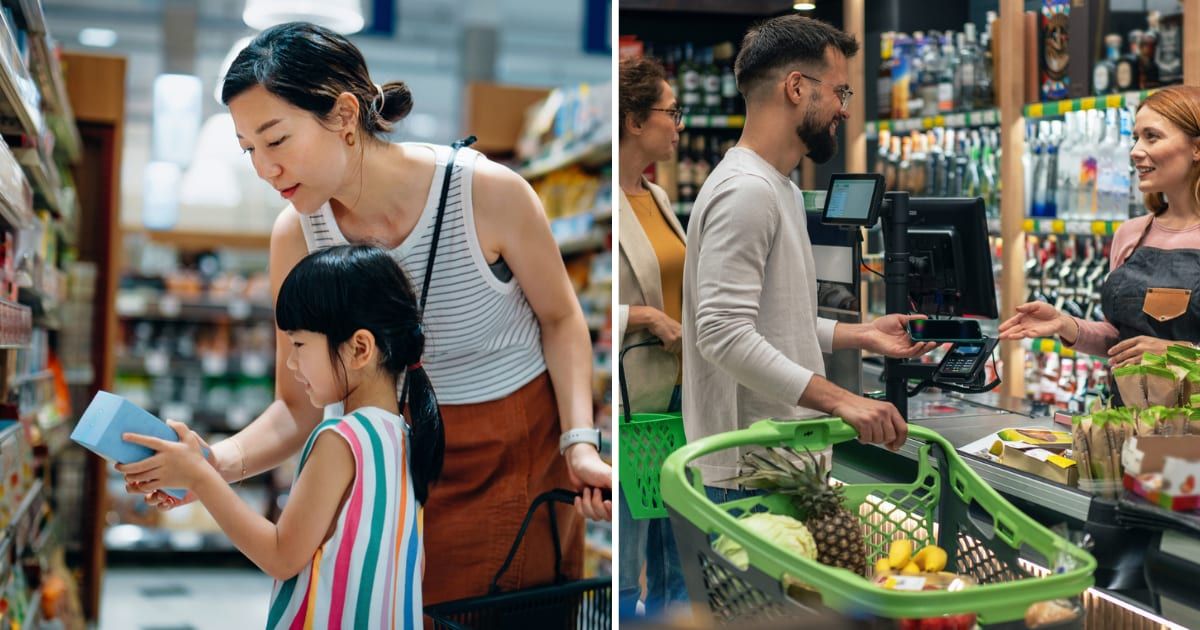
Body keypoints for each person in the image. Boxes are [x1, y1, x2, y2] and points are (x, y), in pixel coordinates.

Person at [119, 22, 611, 606]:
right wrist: (210, 463)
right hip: (388, 460)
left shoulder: (487, 193)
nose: (263, 169)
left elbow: (561, 319)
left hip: (512, 452)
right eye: (249, 149)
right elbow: (296, 404)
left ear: (345, 114)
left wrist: (580, 442)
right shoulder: (297, 235)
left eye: (276, 140)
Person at [681, 15, 936, 499]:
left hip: (778, 463)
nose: (844, 110)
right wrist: (843, 401)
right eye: (840, 92)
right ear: (797, 87)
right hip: (748, 472)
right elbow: (722, 332)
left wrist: (861, 335)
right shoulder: (746, 192)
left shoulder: (782, 189)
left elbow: (770, 319)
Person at [122, 245, 442, 628]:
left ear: (359, 348)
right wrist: (203, 472)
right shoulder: (403, 434)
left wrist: (201, 478)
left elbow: (279, 554)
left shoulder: (341, 441)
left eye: (300, 345)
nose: (291, 362)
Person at [1000, 86, 1200, 371]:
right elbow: (1119, 340)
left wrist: (1180, 354)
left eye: (1152, 137)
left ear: (1196, 148)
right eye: (1135, 138)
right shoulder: (1131, 235)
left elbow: (1159, 351)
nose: (1135, 151)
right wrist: (1065, 324)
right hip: (1129, 414)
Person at [616, 54, 687, 619]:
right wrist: (643, 317)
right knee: (629, 540)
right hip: (632, 401)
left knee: (674, 537)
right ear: (635, 122)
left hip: (679, 391)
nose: (679, 124)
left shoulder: (657, 197)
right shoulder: (609, 199)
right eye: (671, 111)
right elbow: (575, 309)